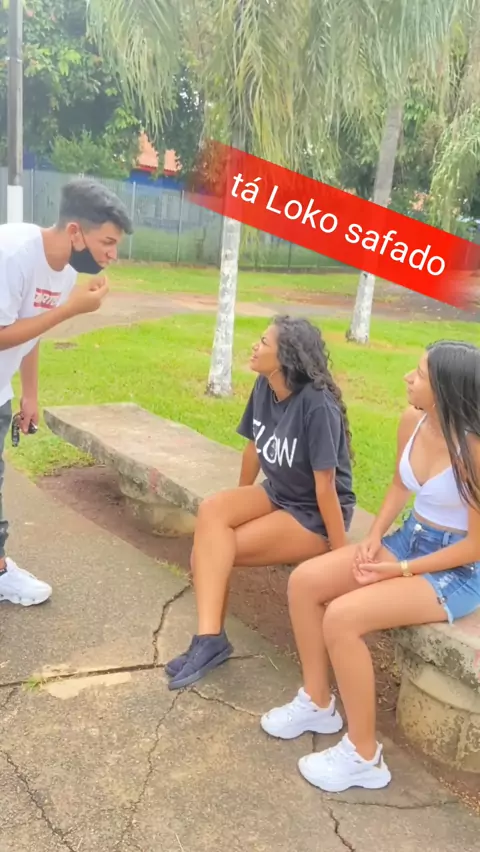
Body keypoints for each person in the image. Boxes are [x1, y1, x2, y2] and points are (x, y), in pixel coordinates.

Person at [260, 340, 480, 793]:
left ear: (446, 389)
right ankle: (318, 701)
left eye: (420, 374)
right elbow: (400, 485)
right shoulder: (413, 421)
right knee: (305, 582)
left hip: (456, 570)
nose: (408, 378)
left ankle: (364, 756)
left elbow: (473, 548)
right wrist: (376, 535)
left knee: (343, 618)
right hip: (408, 539)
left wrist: (400, 570)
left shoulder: (474, 451)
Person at [166, 315, 356, 690]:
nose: (255, 346)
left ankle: (210, 641)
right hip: (279, 490)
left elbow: (325, 488)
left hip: (311, 513)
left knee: (212, 551)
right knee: (213, 514)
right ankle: (209, 638)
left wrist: (339, 555)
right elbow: (253, 448)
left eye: (264, 342)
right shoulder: (264, 386)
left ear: (285, 357)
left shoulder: (317, 405)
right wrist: (237, 505)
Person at [0, 178, 133, 605]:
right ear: (75, 232)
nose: (112, 255)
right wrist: (69, 309)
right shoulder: (12, 254)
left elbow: (30, 327)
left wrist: (30, 394)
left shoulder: (65, 271)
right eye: (107, 242)